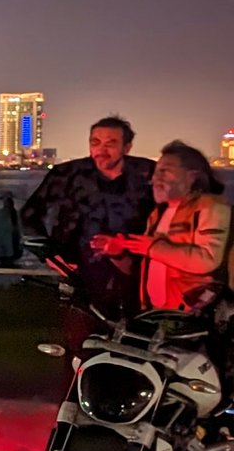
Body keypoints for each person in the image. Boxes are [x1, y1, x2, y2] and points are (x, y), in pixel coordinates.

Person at [22, 117, 155, 330]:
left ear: (127, 147)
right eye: (95, 142)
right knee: (81, 334)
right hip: (77, 270)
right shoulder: (66, 175)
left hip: (136, 274)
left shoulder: (148, 175)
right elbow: (29, 215)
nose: (102, 149)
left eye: (111, 143)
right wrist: (49, 254)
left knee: (137, 333)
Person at [95, 141, 229, 313]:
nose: (156, 178)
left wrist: (153, 248)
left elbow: (208, 260)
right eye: (156, 171)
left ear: (192, 176)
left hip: (193, 316)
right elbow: (145, 266)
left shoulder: (211, 207)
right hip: (156, 313)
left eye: (165, 171)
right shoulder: (157, 214)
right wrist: (118, 252)